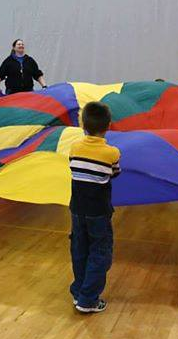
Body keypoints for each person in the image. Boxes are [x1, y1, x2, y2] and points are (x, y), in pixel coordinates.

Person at [68, 101, 121, 313]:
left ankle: (79, 290)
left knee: (79, 249)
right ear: (109, 125)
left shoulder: (74, 147)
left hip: (76, 210)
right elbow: (114, 173)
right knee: (100, 252)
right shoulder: (112, 153)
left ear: (83, 126)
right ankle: (88, 300)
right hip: (98, 212)